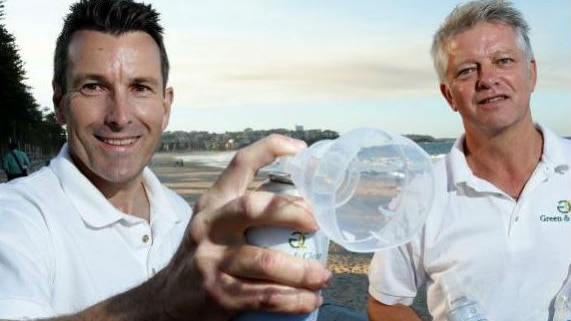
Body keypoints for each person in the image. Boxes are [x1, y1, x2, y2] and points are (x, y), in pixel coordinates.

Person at [0, 0, 331, 319]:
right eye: (93, 87)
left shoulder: (181, 215)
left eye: (140, 88)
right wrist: (167, 301)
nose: (119, 116)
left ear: (166, 106)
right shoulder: (16, 215)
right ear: (60, 103)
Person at [367, 1, 571, 320]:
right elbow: (386, 302)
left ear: (531, 73)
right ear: (449, 95)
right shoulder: (418, 195)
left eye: (503, 61)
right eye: (466, 70)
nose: (487, 79)